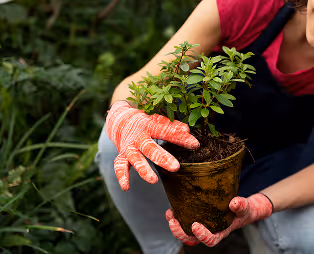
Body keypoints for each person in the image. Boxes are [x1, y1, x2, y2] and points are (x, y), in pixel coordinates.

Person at [95, 0, 314, 253]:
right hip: (190, 147)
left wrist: (259, 206)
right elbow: (137, 90)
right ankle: (168, 248)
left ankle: (261, 233)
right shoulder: (247, 6)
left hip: (284, 167)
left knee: (307, 236)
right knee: (118, 139)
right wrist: (126, 116)